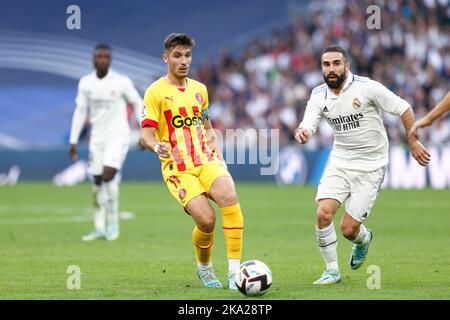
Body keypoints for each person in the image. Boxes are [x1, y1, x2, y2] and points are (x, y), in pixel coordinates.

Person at [294, 46, 430, 285]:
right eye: (326, 64)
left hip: (371, 165)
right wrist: (303, 132)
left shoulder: (367, 87)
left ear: (347, 65)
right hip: (340, 160)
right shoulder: (318, 95)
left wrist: (413, 139)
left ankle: (364, 239)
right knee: (323, 213)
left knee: (348, 229)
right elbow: (308, 123)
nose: (331, 69)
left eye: (336, 63)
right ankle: (332, 271)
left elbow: (404, 108)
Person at [140, 33, 244, 290]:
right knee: (207, 220)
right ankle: (205, 268)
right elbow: (145, 135)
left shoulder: (200, 90)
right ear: (166, 58)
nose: (184, 61)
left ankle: (234, 274)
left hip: (206, 160)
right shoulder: (155, 92)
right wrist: (156, 145)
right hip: (179, 168)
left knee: (229, 195)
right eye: (177, 56)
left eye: (187, 55)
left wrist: (219, 157)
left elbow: (208, 128)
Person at [69, 43, 142, 241]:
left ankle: (113, 223)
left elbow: (137, 102)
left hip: (118, 136)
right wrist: (73, 140)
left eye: (105, 56)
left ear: (110, 60)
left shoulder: (121, 82)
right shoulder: (86, 83)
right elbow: (80, 111)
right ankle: (99, 226)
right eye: (99, 56)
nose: (102, 59)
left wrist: (145, 130)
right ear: (93, 59)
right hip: (97, 138)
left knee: (109, 175)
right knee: (97, 181)